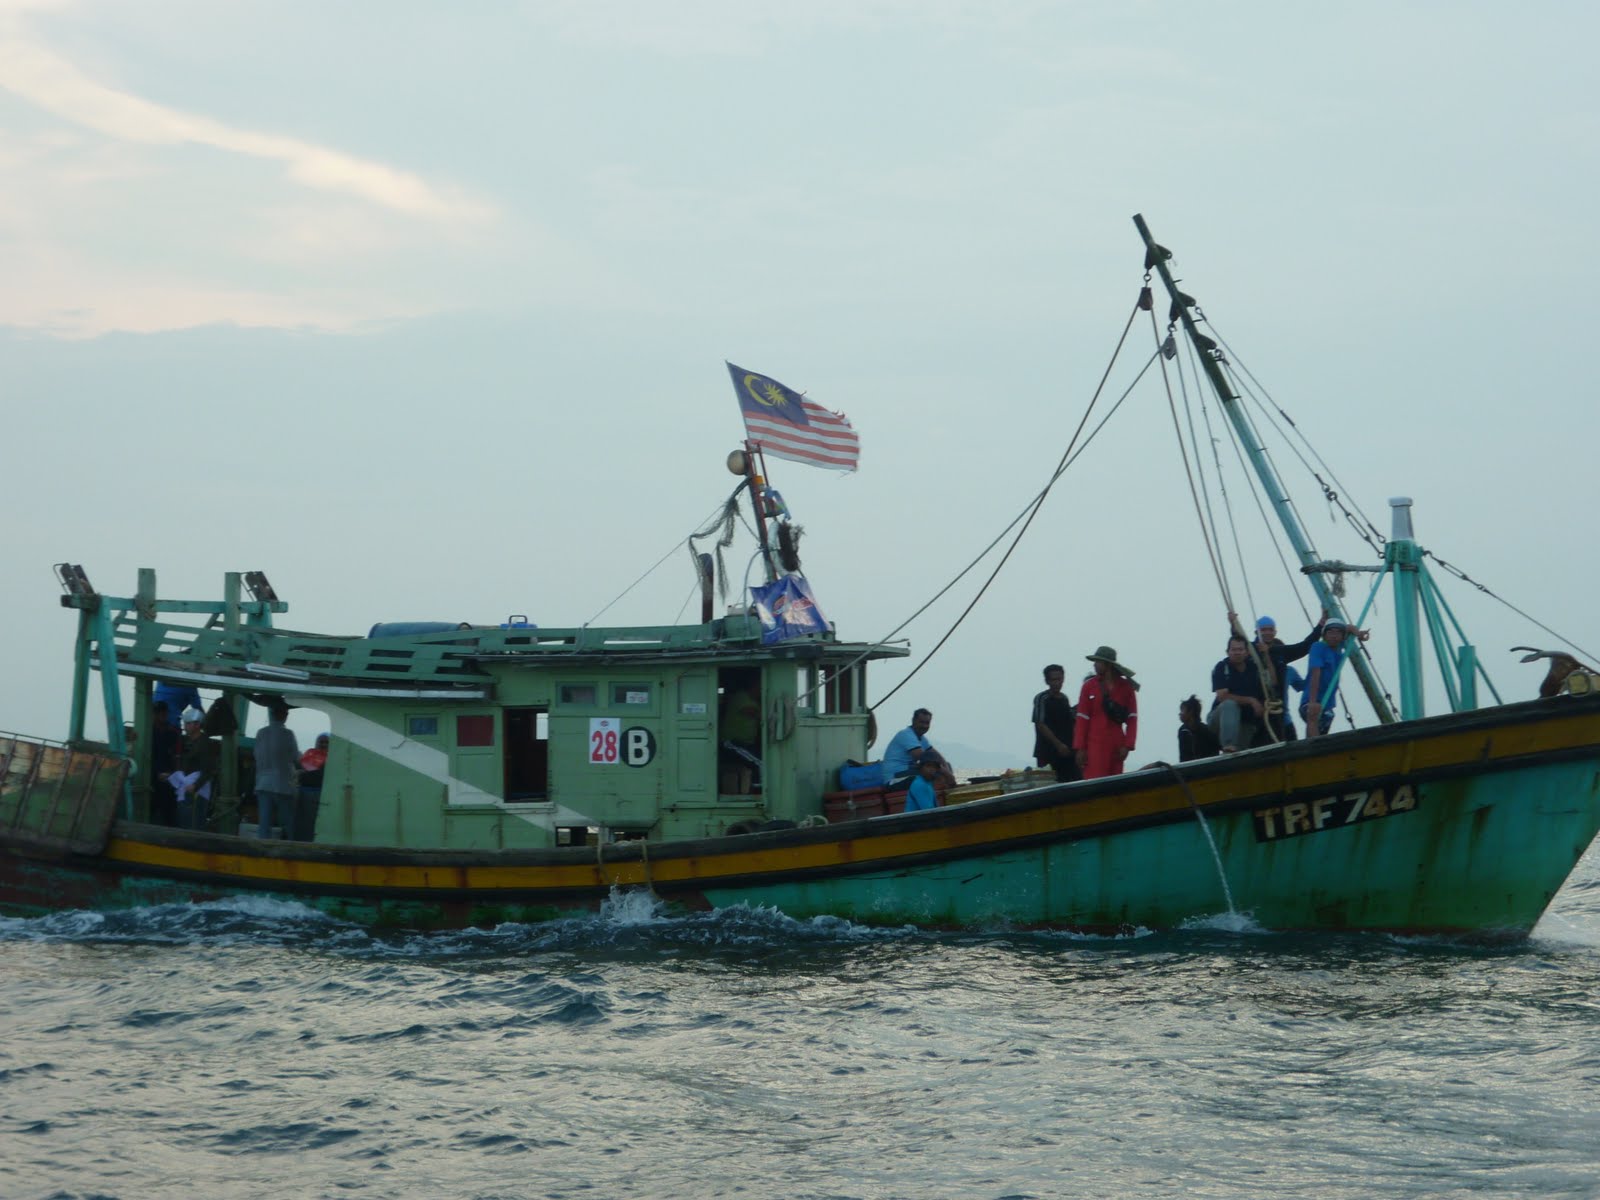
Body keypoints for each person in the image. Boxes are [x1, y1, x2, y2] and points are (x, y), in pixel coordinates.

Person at [1232, 612, 1327, 741]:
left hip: (1278, 710)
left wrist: (1321, 625)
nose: (1267, 632)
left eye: (1270, 630)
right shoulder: (1249, 650)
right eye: (1263, 630)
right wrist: (1233, 623)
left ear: (1275, 632)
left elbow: (1305, 646)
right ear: (1256, 632)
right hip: (1257, 711)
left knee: (1291, 742)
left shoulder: (1280, 652)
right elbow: (1238, 641)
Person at [1074, 647, 1138, 779]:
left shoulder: (1126, 687)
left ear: (1107, 664)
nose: (1094, 665)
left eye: (1098, 662)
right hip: (1094, 745)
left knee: (1115, 784)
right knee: (1094, 782)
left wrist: (1127, 745)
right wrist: (1080, 748)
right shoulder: (1088, 686)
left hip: (1117, 744)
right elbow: (1082, 719)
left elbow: (1132, 718)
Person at [1209, 634, 1266, 753]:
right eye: (1233, 649)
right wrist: (1251, 700)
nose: (1237, 652)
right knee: (1230, 704)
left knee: (1240, 754)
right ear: (1227, 652)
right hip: (1219, 720)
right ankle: (1228, 744)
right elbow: (1222, 697)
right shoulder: (1221, 667)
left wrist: (1267, 655)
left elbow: (1271, 683)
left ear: (1247, 652)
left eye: (1240, 649)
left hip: (1246, 722)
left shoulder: (1254, 669)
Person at [1303, 619, 1359, 738]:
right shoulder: (1318, 647)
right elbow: (1315, 673)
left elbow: (1349, 630)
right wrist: (1312, 702)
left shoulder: (1340, 648)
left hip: (1328, 704)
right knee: (1313, 721)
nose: (1334, 636)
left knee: (1323, 734)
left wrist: (1359, 633)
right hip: (1312, 700)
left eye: (1338, 633)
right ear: (1324, 635)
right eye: (1331, 632)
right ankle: (1313, 752)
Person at [251, 701, 300, 837]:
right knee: (288, 823)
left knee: (264, 825)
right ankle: (290, 849)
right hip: (283, 785)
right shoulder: (288, 734)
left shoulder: (260, 733)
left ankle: (262, 852)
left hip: (263, 784)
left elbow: (256, 754)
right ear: (284, 715)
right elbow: (296, 757)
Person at [1031, 664, 1081, 782]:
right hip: (1047, 753)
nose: (1057, 683)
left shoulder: (1064, 698)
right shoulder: (1042, 698)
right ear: (1047, 681)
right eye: (1053, 680)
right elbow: (1040, 723)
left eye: (1059, 679)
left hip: (1068, 753)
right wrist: (1058, 744)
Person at [174, 706, 219, 830]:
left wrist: (195, 785)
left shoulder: (204, 744)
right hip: (189, 788)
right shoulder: (191, 742)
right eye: (185, 723)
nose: (185, 726)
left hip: (196, 791)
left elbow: (209, 769)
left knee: (193, 825)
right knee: (186, 824)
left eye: (188, 723)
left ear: (197, 725)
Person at [148, 701, 182, 825]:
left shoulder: (173, 732)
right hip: (152, 778)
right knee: (152, 809)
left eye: (163, 712)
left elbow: (176, 756)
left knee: (169, 812)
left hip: (168, 778)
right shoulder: (148, 731)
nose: (161, 715)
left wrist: (174, 776)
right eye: (158, 713)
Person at [881, 708, 933, 786]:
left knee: (942, 767)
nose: (924, 726)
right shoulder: (906, 734)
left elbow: (935, 755)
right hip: (894, 778)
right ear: (913, 721)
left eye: (927, 723)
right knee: (930, 773)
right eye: (921, 722)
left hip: (906, 773)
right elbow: (922, 756)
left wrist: (945, 767)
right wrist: (945, 772)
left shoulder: (922, 739)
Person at [294, 732, 329, 842]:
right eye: (321, 742)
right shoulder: (310, 753)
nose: (323, 744)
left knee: (314, 822)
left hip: (321, 795)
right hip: (303, 793)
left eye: (326, 742)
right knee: (302, 821)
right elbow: (303, 768)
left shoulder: (333, 757)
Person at [1177, 695, 1220, 762]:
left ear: (1191, 711)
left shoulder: (1205, 729)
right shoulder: (1182, 731)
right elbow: (1183, 757)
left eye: (1182, 710)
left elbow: (1218, 745)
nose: (1180, 713)